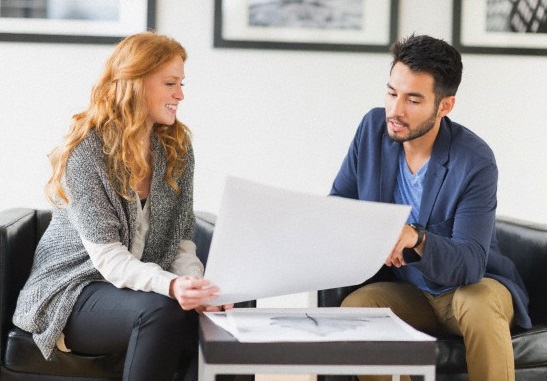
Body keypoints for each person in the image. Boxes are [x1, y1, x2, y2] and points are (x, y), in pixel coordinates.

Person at [12, 31, 231, 381]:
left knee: (224, 317)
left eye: (181, 83)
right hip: (75, 291)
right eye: (171, 83)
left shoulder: (176, 147)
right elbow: (108, 259)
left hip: (139, 288)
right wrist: (172, 287)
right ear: (137, 83)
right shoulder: (88, 152)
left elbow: (180, 241)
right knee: (161, 311)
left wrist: (195, 286)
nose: (181, 94)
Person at [331, 34, 531, 381]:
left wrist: (414, 237)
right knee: (357, 309)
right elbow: (340, 208)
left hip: (473, 287)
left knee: (478, 305)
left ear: (445, 105)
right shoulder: (372, 130)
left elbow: (470, 264)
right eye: (392, 93)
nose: (395, 110)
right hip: (411, 292)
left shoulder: (475, 160)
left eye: (413, 100)